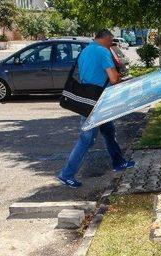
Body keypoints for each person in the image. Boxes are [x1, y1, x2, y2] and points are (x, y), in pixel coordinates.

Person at [58, 29, 135, 188]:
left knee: (108, 132)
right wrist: (121, 76)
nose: (112, 44)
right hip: (98, 101)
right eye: (111, 41)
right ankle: (67, 174)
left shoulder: (85, 50)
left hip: (89, 98)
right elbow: (113, 79)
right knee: (87, 139)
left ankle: (119, 162)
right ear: (106, 39)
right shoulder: (102, 51)